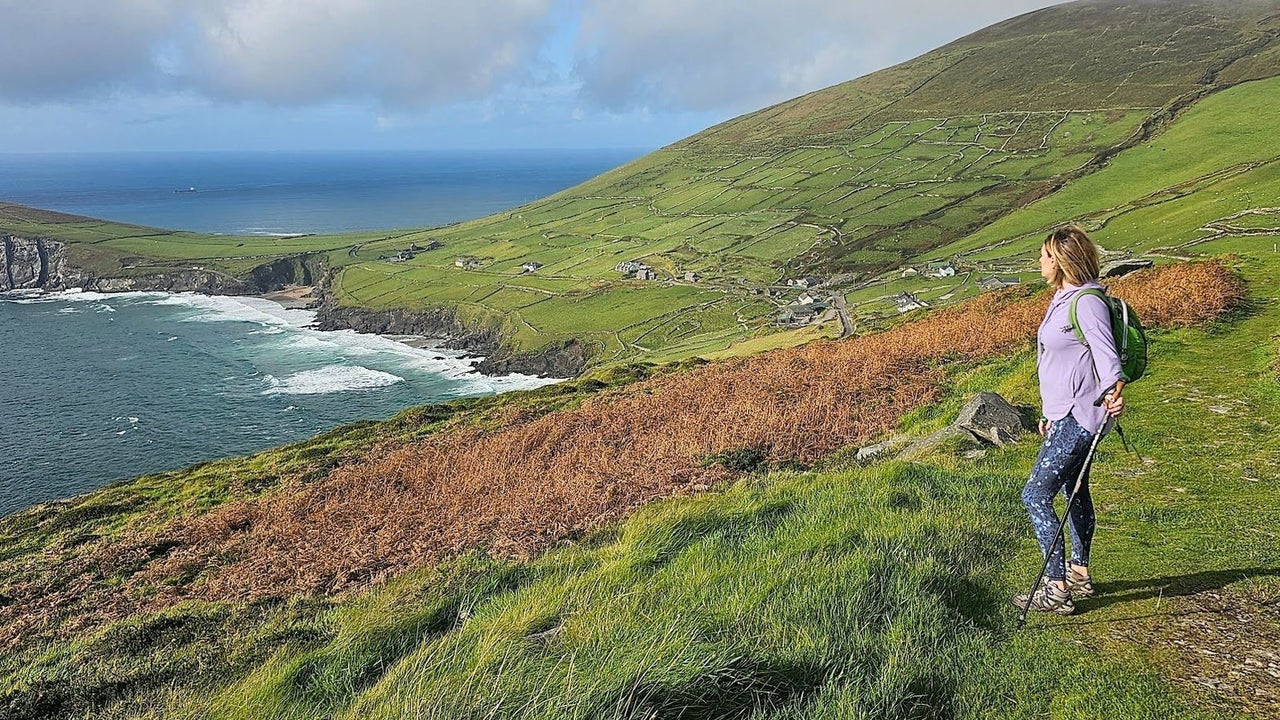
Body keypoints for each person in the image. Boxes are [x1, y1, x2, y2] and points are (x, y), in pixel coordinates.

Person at [1013, 225, 1125, 615]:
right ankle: (1078, 571)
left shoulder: (1087, 301)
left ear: (1061, 261)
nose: (1039, 261)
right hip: (1063, 414)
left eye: (1044, 255)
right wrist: (1049, 412)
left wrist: (1114, 393)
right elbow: (1059, 360)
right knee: (1074, 491)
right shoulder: (1062, 296)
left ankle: (1056, 586)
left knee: (1034, 494)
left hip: (1081, 416)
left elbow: (1107, 357)